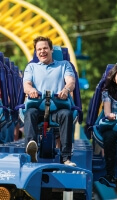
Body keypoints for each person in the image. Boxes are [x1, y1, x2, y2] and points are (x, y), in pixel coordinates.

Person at [23, 36, 77, 167]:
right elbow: (27, 85)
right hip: (38, 106)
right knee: (30, 113)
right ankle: (31, 151)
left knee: (66, 114)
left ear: (51, 49)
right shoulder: (32, 67)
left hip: (57, 107)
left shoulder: (64, 65)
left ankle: (66, 157)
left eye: (45, 48)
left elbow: (71, 81)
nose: (42, 51)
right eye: (39, 49)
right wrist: (31, 91)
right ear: (36, 53)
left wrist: (65, 90)